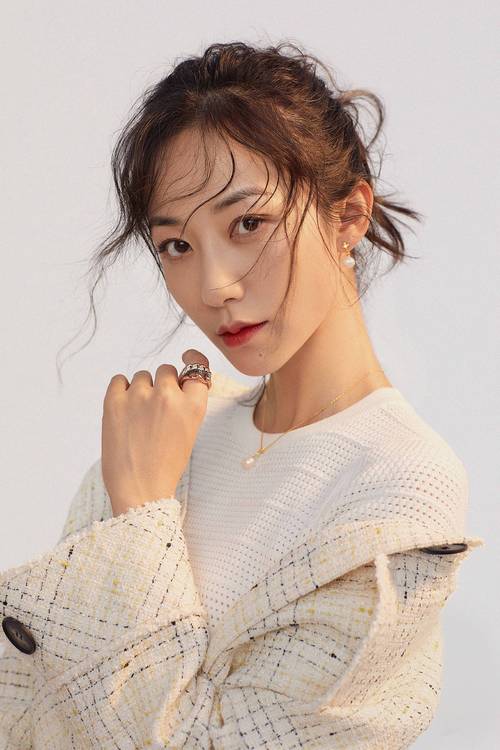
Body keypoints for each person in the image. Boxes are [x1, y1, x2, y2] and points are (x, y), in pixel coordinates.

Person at [0, 41, 484, 749]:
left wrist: (141, 512)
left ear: (348, 217)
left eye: (248, 224)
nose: (214, 286)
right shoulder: (172, 433)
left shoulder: (401, 485)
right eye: (177, 245)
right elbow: (36, 704)